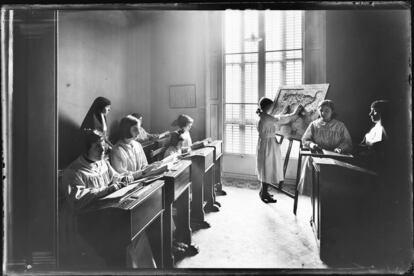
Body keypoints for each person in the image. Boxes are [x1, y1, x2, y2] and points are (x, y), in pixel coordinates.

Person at [111, 115, 197, 259]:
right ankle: (166, 248)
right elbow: (122, 177)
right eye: (135, 130)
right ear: (126, 129)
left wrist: (154, 167)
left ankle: (172, 242)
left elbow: (144, 166)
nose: (139, 133)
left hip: (144, 182)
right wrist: (144, 172)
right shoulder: (117, 150)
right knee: (155, 206)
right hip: (131, 189)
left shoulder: (137, 145)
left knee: (163, 203)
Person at [59, 129, 133, 268]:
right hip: (80, 219)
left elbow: (115, 177)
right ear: (85, 149)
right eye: (97, 146)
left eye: (103, 145)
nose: (103, 149)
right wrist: (108, 189)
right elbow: (78, 201)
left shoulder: (102, 163)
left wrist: (123, 178)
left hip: (102, 213)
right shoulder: (74, 171)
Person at [297, 99, 353, 195]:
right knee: (314, 190)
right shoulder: (314, 124)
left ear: (332, 111)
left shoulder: (340, 126)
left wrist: (340, 148)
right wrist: (312, 145)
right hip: (316, 156)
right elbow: (305, 140)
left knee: (331, 190)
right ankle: (315, 206)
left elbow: (347, 142)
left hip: (335, 158)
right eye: (321, 110)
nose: (323, 113)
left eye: (326, 110)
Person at [256, 97, 303, 204]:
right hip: (268, 144)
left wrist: (284, 112)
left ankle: (263, 191)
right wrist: (294, 113)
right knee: (267, 168)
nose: (273, 108)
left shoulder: (263, 116)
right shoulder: (267, 118)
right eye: (271, 106)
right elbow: (281, 119)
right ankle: (264, 194)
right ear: (267, 107)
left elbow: (276, 117)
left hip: (266, 143)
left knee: (266, 168)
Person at [355, 100, 389, 171]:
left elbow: (378, 153)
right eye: (371, 111)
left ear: (382, 113)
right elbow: (363, 145)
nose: (370, 114)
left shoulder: (384, 130)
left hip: (373, 168)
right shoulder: (375, 127)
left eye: (374, 111)